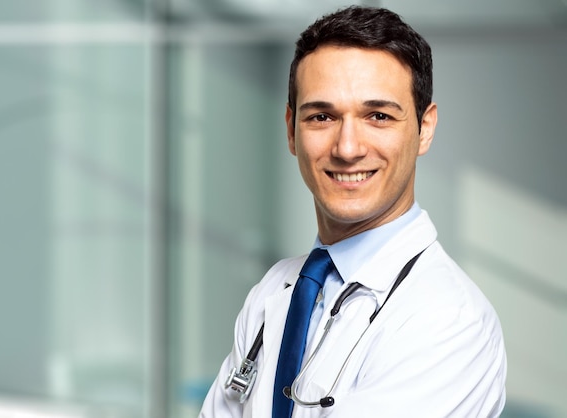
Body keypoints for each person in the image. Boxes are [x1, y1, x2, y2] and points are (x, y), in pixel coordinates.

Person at [199, 5, 506, 418]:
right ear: (291, 130)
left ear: (424, 128)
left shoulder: (450, 321)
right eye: (322, 116)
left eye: (378, 116)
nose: (347, 148)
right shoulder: (274, 292)